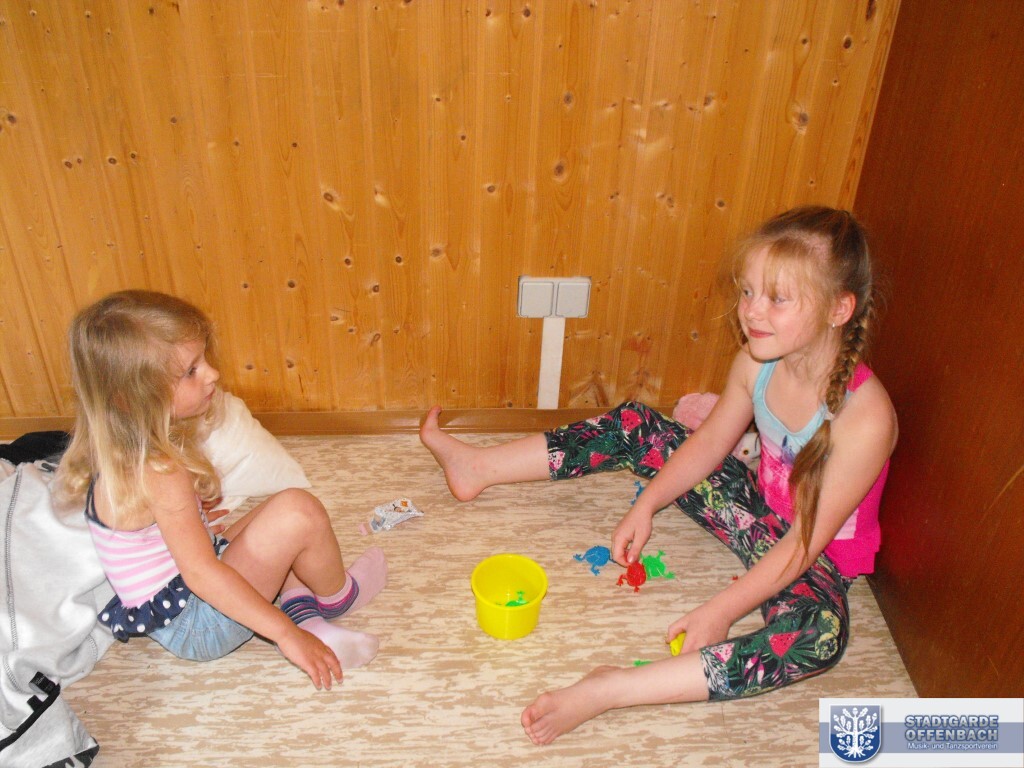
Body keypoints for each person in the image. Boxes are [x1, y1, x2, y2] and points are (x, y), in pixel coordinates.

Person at [420, 206, 897, 743]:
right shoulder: (756, 361)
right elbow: (709, 444)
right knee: (638, 425)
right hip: (757, 513)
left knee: (818, 636)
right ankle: (479, 466)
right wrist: (646, 505)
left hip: (815, 556)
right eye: (747, 292)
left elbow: (804, 544)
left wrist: (722, 610)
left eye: (777, 298)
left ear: (838, 309)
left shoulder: (866, 417)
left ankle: (614, 688)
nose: (751, 311)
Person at [56, 290, 387, 690]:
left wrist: (194, 525)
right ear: (135, 398)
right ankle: (337, 597)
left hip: (175, 604)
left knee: (274, 514)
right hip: (199, 623)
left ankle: (301, 609)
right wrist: (284, 635)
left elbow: (159, 541)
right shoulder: (161, 472)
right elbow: (201, 574)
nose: (212, 374)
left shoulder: (117, 448)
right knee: (299, 511)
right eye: (191, 371)